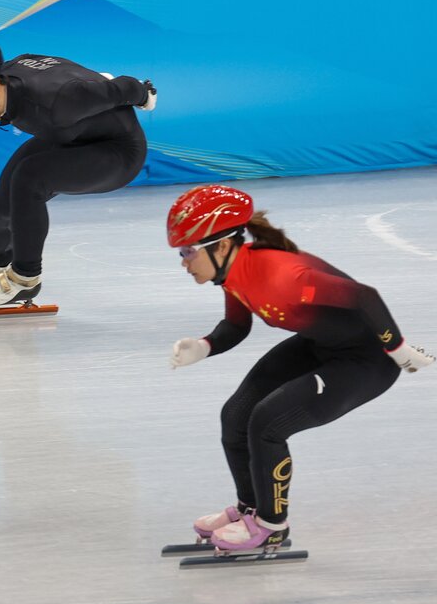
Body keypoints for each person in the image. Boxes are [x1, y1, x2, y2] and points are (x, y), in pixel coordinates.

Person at [166, 185, 431, 551]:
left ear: (222, 245)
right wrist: (204, 346)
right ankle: (250, 509)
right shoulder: (235, 272)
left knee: (268, 422)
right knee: (236, 415)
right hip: (320, 345)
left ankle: (271, 526)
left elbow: (364, 296)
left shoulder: (282, 276)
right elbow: (237, 325)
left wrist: (398, 349)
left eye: (188, 251)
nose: (183, 261)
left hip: (365, 361)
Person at [0, 40, 156, 307]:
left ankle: (24, 279)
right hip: (70, 135)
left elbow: (122, 87)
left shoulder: (60, 100)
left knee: (30, 177)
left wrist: (144, 94)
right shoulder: (10, 81)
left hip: (117, 152)